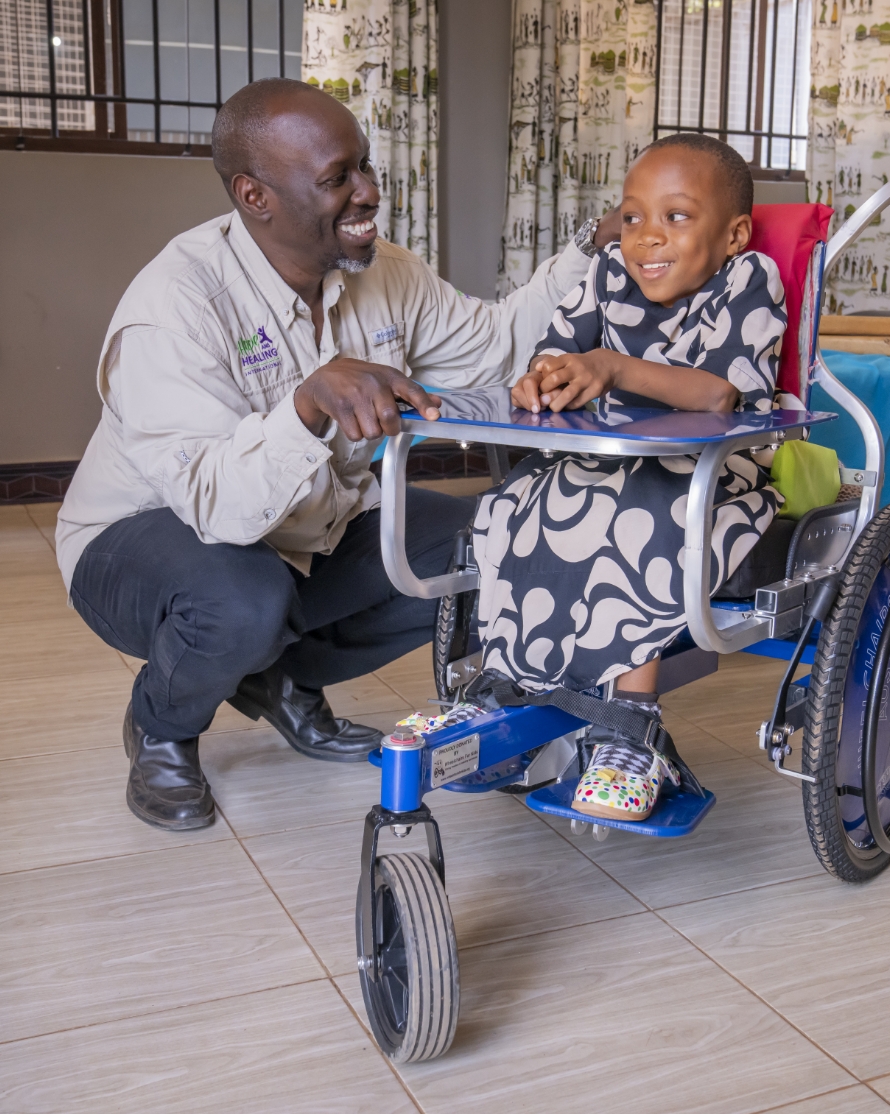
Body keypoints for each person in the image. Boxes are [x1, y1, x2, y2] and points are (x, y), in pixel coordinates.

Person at [56, 78, 619, 832]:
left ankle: (281, 682)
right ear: (255, 196)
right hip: (146, 537)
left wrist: (593, 248)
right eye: (337, 179)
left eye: (365, 166)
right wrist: (307, 405)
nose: (369, 192)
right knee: (243, 599)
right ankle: (162, 725)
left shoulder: (385, 270)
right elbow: (213, 505)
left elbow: (494, 347)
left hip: (310, 519)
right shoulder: (177, 305)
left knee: (496, 541)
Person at [470, 134, 787, 822]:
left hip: (707, 475)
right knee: (514, 502)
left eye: (677, 216)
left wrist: (611, 367)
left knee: (638, 516)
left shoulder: (750, 280)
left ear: (734, 235)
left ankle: (629, 727)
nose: (647, 237)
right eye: (634, 216)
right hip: (602, 460)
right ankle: (513, 686)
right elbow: (556, 348)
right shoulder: (607, 272)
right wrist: (544, 378)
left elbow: (719, 394)